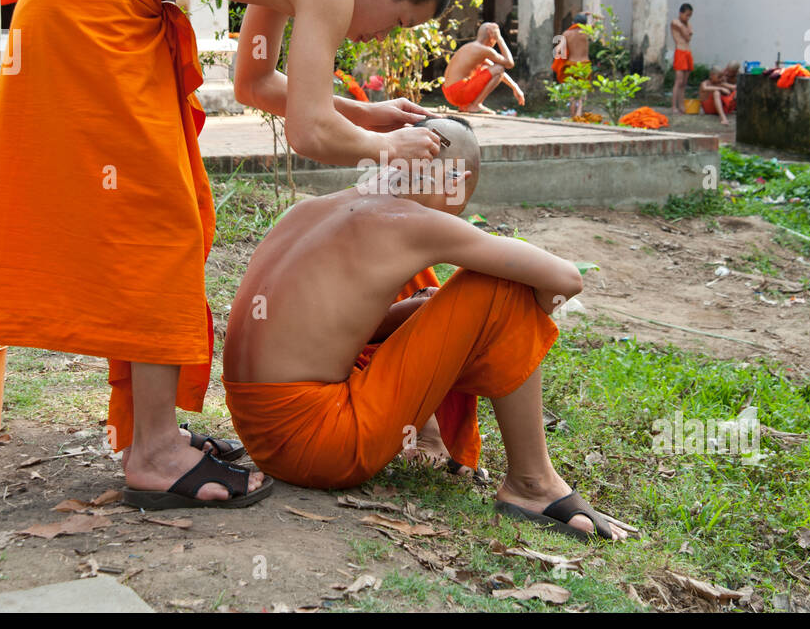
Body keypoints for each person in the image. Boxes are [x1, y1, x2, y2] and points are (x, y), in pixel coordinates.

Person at [0, 0, 456, 509]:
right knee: (156, 221)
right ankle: (156, 453)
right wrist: (387, 146)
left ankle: (149, 436)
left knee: (164, 213)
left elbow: (255, 83)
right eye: (398, 22)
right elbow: (306, 129)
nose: (377, 39)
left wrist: (369, 115)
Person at [221, 116, 632, 540]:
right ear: (461, 179)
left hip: (260, 436)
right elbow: (566, 280)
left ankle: (430, 437)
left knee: (419, 285)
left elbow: (324, 328)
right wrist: (516, 318)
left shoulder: (308, 210)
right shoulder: (409, 223)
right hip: (322, 446)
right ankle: (533, 484)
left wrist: (417, 315)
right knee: (503, 285)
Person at [441, 22, 524, 113]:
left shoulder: (470, 47)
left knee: (488, 68)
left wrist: (515, 87)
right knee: (499, 68)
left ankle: (466, 105)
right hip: (458, 93)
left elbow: (494, 70)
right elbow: (509, 63)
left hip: (449, 92)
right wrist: (499, 38)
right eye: (495, 38)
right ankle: (475, 105)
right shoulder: (484, 50)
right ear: (491, 35)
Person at [552, 14, 592, 118]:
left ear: (573, 23)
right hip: (584, 64)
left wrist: (563, 58)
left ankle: (573, 115)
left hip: (571, 65)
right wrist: (590, 15)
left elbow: (557, 50)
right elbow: (596, 23)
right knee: (582, 91)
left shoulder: (567, 33)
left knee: (572, 92)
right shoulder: (587, 32)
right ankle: (579, 113)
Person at [670, 3, 694, 114]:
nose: (688, 18)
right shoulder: (675, 22)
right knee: (678, 81)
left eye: (690, 16)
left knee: (684, 82)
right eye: (687, 15)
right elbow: (685, 35)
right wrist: (685, 27)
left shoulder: (687, 24)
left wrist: (686, 25)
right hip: (680, 51)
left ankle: (681, 105)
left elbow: (689, 38)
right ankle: (674, 106)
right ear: (681, 13)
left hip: (687, 52)